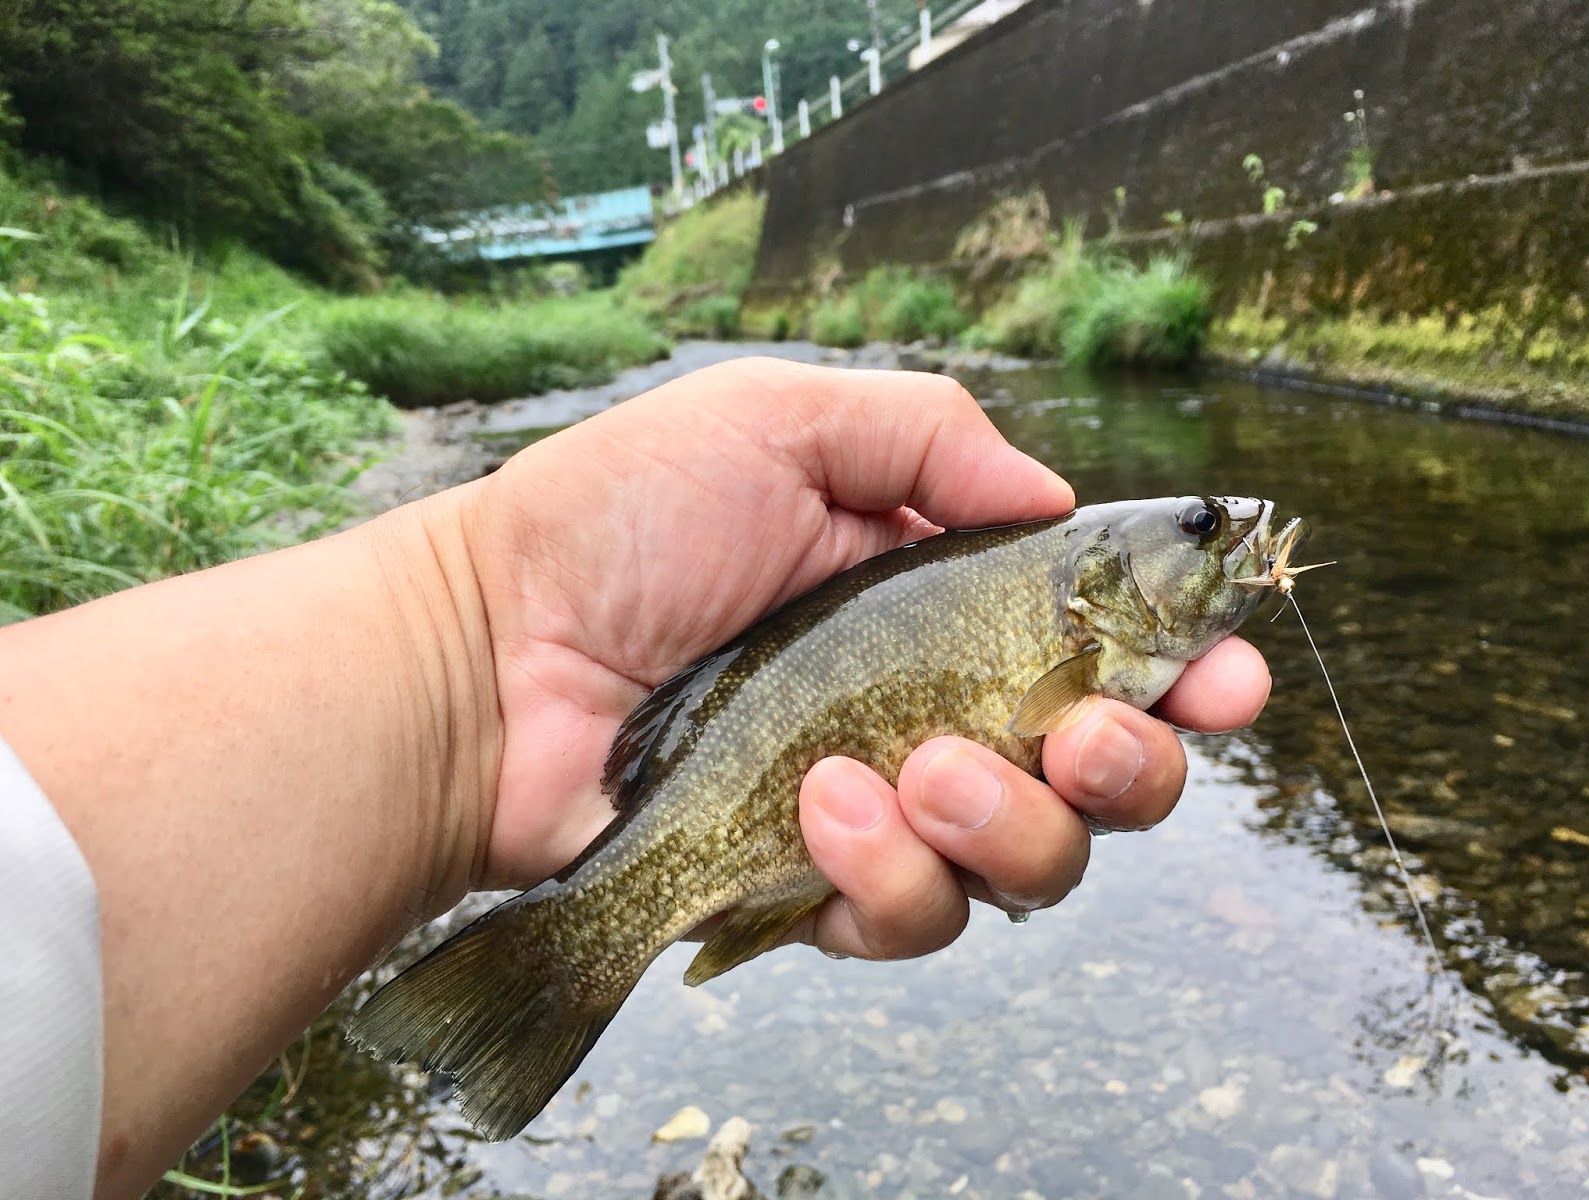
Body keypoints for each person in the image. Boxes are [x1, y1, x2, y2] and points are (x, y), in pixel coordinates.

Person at [0, 359, 1271, 1199]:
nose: (1232, 529)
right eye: (1204, 527)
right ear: (1103, 579)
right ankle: (575, 946)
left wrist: (464, 649)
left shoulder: (1093, 615)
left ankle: (569, 951)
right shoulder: (1066, 594)